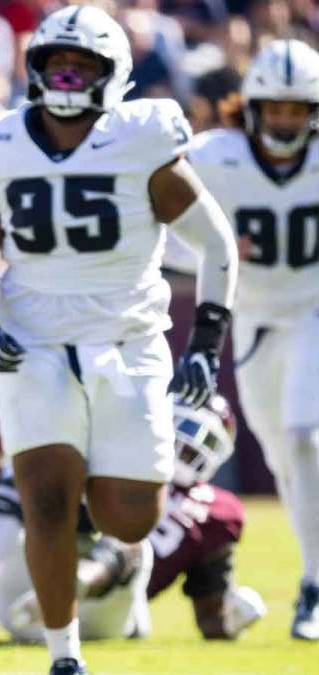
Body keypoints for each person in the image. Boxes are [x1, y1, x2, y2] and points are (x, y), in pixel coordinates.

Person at [0, 6, 238, 674]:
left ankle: (114, 546)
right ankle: (63, 654)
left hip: (128, 337)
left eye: (83, 65)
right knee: (45, 498)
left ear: (115, 75)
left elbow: (217, 246)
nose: (68, 76)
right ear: (34, 69)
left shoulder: (143, 136)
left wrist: (205, 343)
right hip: (34, 339)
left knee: (131, 516)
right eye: (56, 63)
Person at [0, 396, 267, 643]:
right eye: (182, 426)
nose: (187, 442)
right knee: (20, 475)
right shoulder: (115, 457)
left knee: (134, 536)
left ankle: (74, 587)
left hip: (111, 616)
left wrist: (234, 619)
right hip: (28, 594)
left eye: (201, 436)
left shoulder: (217, 511)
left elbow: (211, 617)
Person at [187, 39, 319, 641]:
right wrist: (211, 252)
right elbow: (159, 225)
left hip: (313, 312)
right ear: (255, 107)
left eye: (299, 109)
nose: (287, 121)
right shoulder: (216, 155)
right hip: (256, 321)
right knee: (285, 458)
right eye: (278, 109)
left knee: (303, 440)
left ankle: (313, 587)